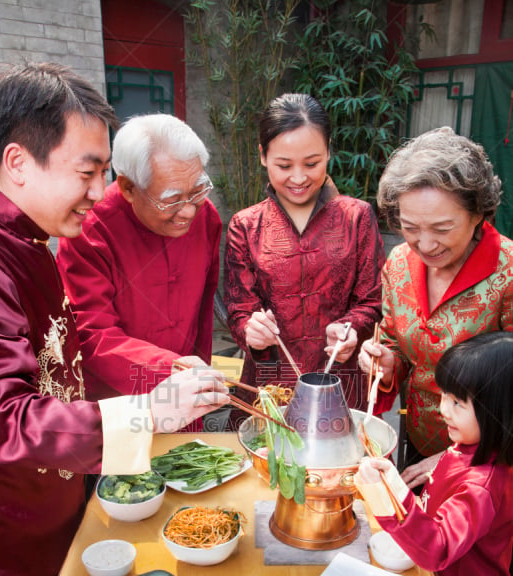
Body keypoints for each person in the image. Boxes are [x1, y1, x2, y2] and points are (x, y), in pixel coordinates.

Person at [0, 62, 228, 576]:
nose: (99, 192)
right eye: (88, 172)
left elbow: (62, 371)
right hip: (0, 541)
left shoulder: (28, 244)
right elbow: (1, 418)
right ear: (18, 161)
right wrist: (146, 413)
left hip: (53, 504)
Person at [355, 332, 513, 576]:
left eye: (458, 402)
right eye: (444, 395)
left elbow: (437, 547)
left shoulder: (484, 483)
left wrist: (384, 496)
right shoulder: (467, 448)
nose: (443, 409)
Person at [358, 127, 513, 489]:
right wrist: (387, 362)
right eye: (410, 227)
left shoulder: (507, 271)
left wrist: (455, 459)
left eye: (442, 228)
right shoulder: (398, 263)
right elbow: (397, 340)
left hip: (492, 462)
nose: (425, 244)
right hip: (419, 440)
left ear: (478, 214)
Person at [223, 93, 383, 421]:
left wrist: (351, 328)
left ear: (328, 153)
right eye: (284, 165)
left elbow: (373, 302)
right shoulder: (246, 225)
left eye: (312, 164)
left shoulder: (358, 217)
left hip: (340, 386)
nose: (298, 178)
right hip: (267, 392)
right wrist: (251, 331)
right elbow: (239, 310)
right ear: (263, 156)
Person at [56, 113, 222, 402]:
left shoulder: (206, 216)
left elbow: (204, 313)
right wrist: (172, 370)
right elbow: (91, 333)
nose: (188, 212)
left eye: (197, 190)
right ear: (129, 188)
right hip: (118, 403)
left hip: (188, 390)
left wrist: (198, 376)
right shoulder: (89, 230)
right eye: (171, 200)